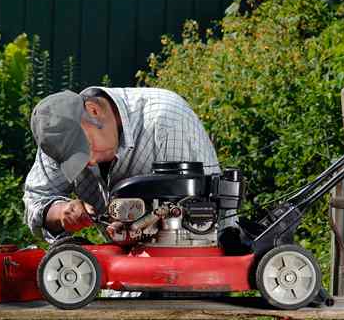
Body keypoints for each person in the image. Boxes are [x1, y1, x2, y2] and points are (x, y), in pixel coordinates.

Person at [23, 86, 238, 244]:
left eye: (86, 146)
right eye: (74, 160)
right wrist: (60, 212)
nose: (89, 162)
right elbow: (36, 199)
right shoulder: (57, 137)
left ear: (93, 111)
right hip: (124, 280)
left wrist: (140, 227)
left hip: (193, 276)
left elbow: (202, 220)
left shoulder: (165, 123)